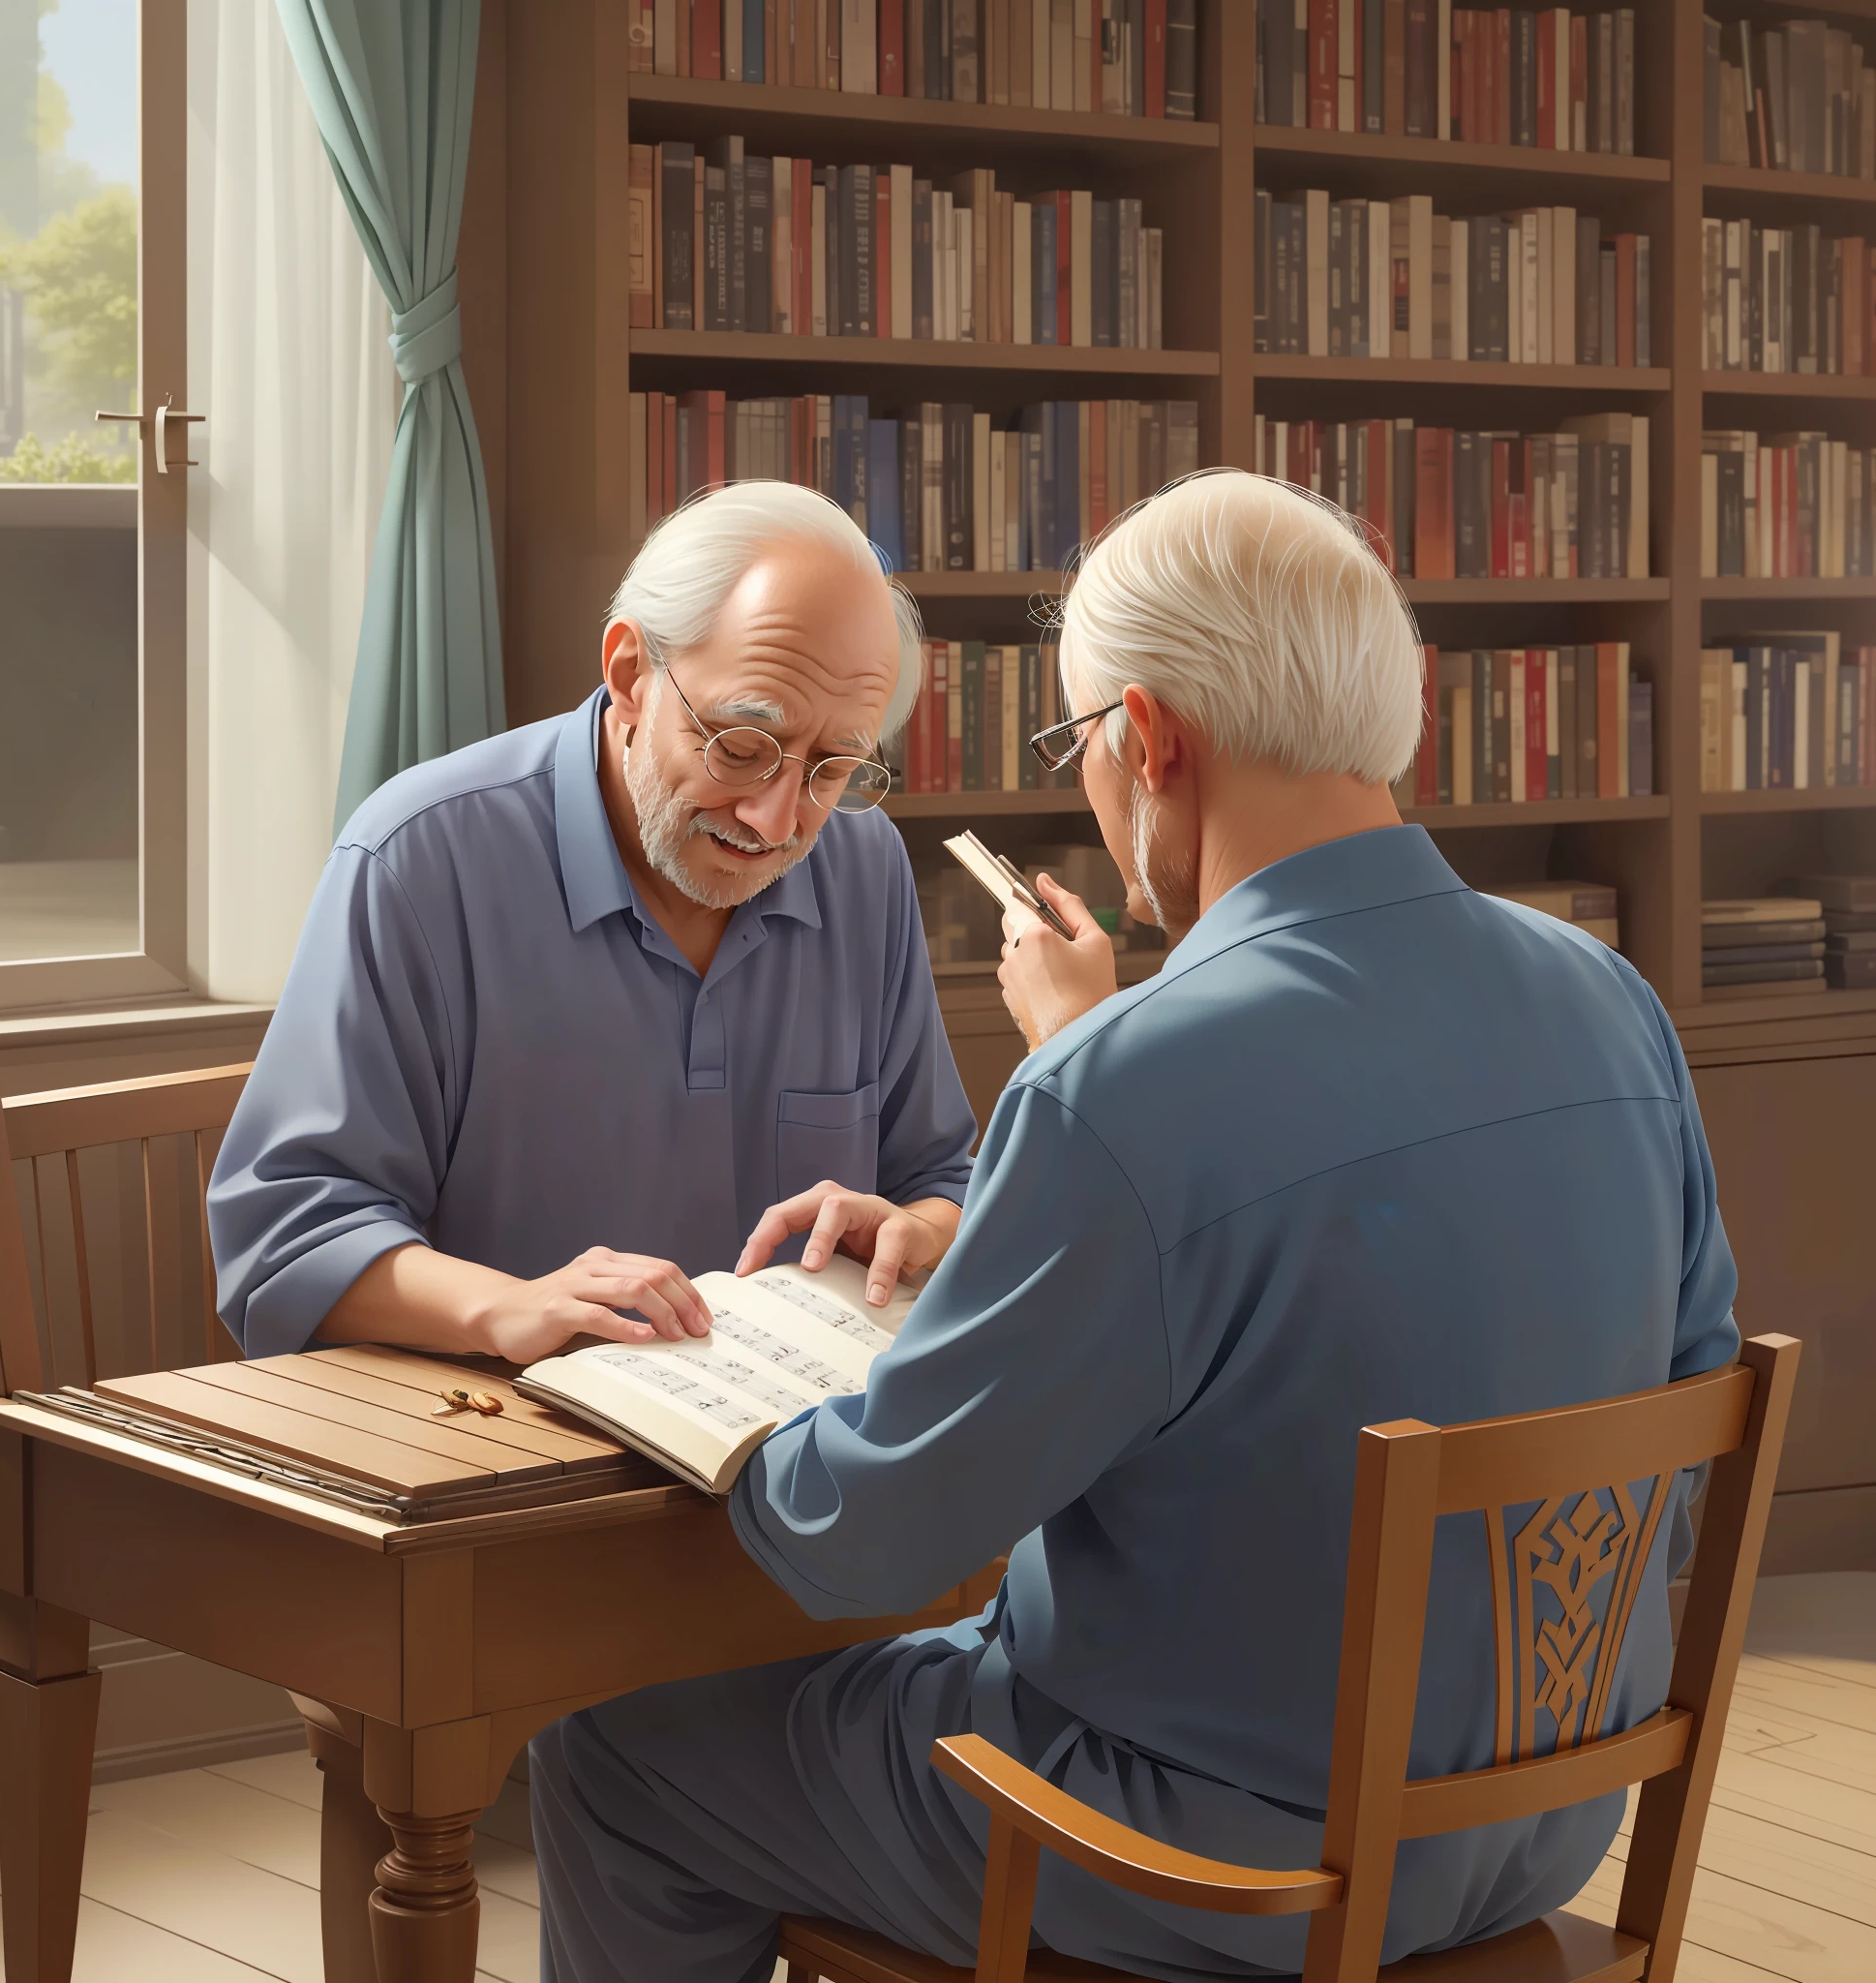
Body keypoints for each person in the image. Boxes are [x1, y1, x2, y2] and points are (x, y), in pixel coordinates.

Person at [528, 472, 1741, 1982]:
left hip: (1204, 1860)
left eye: (1081, 742)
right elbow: (1683, 1455)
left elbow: (874, 1533)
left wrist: (718, 1410)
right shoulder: (1608, 1001)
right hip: (1542, 1819)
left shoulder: (1128, 1076)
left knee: (617, 1752)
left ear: (1150, 737)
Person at [208, 482, 977, 1364]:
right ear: (630, 674)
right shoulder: (421, 858)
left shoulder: (859, 863)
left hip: (791, 1453)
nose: (775, 820)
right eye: (741, 746)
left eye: (833, 766)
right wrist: (507, 1308)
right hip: (497, 1451)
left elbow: (941, 1179)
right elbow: (286, 1236)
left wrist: (914, 1229)